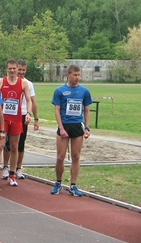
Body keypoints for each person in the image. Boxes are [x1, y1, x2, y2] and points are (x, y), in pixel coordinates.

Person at [51, 64, 92, 197]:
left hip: (77, 126)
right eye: (74, 75)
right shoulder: (60, 91)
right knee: (60, 156)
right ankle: (58, 182)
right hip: (64, 125)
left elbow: (86, 110)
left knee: (76, 156)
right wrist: (61, 128)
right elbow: (56, 110)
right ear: (68, 75)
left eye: (79, 75)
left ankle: (73, 185)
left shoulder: (84, 91)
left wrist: (87, 127)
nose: (77, 78)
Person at [0, 59, 31, 187]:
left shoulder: (23, 83)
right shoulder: (0, 82)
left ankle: (12, 174)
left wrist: (29, 113)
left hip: (16, 119)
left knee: (15, 147)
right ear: (7, 69)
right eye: (10, 68)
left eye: (14, 68)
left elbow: (29, 100)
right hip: (3, 119)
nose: (13, 70)